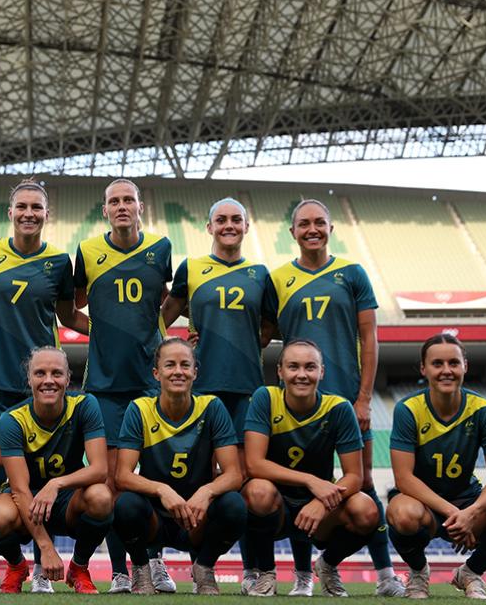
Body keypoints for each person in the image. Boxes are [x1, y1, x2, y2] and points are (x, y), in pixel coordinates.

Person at [268, 198, 403, 597]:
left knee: (364, 490)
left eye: (320, 222)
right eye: (304, 224)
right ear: (292, 232)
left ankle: (382, 574)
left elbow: (369, 338)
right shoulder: (277, 280)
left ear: (330, 228)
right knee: (300, 491)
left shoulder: (352, 273)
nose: (312, 229)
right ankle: (303, 576)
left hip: (345, 399)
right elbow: (258, 332)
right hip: (296, 403)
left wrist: (363, 399)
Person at [0, 178, 87, 592]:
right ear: (9, 213)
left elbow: (69, 318)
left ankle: (41, 574)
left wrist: (125, 334)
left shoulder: (58, 262)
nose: (29, 213)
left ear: (46, 215)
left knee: (31, 478)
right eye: (22, 206)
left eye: (37, 207)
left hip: (43, 387)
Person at [159, 197, 277, 594]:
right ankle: (198, 567)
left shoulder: (261, 274)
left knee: (244, 485)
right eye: (221, 220)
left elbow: (268, 327)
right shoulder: (191, 269)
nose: (229, 225)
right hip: (201, 394)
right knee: (198, 481)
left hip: (246, 391)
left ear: (247, 226)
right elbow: (160, 318)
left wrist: (240, 344)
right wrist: (181, 348)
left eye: (236, 219)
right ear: (209, 227)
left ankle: (254, 571)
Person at [73, 178, 174, 593]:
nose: (121, 206)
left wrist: (161, 337)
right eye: (113, 201)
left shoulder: (161, 249)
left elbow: (165, 300)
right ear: (105, 210)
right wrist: (100, 331)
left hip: (150, 385)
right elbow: (71, 308)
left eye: (128, 199)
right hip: (105, 386)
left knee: (152, 477)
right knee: (114, 480)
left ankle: (154, 564)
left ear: (140, 206)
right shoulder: (88, 251)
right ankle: (121, 571)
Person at [387, 334, 486, 599]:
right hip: (424, 502)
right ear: (424, 368)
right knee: (401, 513)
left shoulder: (484, 409)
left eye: (454, 363)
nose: (446, 370)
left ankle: (471, 572)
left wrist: (474, 511)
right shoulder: (408, 409)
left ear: (464, 366)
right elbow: (403, 479)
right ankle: (419, 573)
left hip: (468, 499)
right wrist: (457, 514)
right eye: (437, 363)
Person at [242, 339, 379, 597]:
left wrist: (321, 502)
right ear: (280, 372)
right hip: (276, 505)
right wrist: (309, 480)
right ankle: (266, 573)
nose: (302, 375)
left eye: (310, 367)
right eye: (293, 367)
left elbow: (355, 476)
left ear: (321, 372)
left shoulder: (338, 408)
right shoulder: (266, 398)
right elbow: (253, 464)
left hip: (320, 511)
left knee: (367, 509)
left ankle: (327, 565)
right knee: (257, 491)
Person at [112, 337, 246, 595]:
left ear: (195, 372)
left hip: (197, 517)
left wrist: (206, 492)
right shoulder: (139, 409)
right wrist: (162, 490)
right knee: (125, 505)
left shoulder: (212, 407)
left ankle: (204, 568)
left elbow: (234, 475)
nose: (178, 371)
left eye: (185, 365)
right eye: (170, 365)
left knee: (234, 505)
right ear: (156, 373)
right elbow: (122, 476)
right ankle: (141, 569)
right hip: (154, 518)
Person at [0, 347, 113, 594]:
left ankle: (79, 568)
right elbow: (20, 489)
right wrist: (45, 547)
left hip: (67, 500)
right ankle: (17, 567)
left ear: (68, 378)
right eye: (40, 373)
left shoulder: (85, 405)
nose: (49, 380)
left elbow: (99, 470)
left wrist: (55, 484)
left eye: (57, 373)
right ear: (29, 379)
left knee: (101, 497)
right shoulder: (11, 419)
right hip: (26, 499)